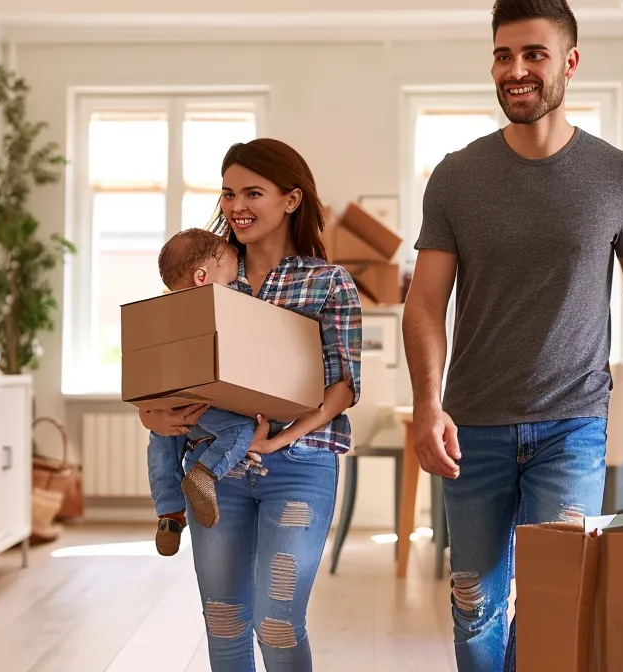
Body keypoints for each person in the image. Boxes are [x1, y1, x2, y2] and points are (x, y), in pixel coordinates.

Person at [401, 0, 623, 668]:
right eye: (503, 55)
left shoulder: (620, 177)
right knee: (475, 607)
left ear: (570, 62)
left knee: (554, 603)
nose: (516, 70)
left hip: (571, 426)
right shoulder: (456, 178)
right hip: (472, 428)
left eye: (534, 54)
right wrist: (429, 403)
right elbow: (425, 304)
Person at [137, 138, 360, 672]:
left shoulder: (327, 282)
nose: (235, 205)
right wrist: (151, 413)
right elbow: (161, 360)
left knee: (278, 622)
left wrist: (277, 439)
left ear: (291, 199)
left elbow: (345, 385)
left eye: (252, 192)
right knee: (224, 619)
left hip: (300, 465)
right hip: (213, 473)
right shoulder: (203, 276)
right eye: (228, 193)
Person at [143, 229, 262, 556]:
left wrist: (150, 410)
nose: (233, 278)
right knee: (241, 430)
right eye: (228, 272)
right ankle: (205, 473)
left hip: (172, 407)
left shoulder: (161, 313)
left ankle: (168, 513)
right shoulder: (230, 303)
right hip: (215, 408)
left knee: (161, 443)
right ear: (202, 276)